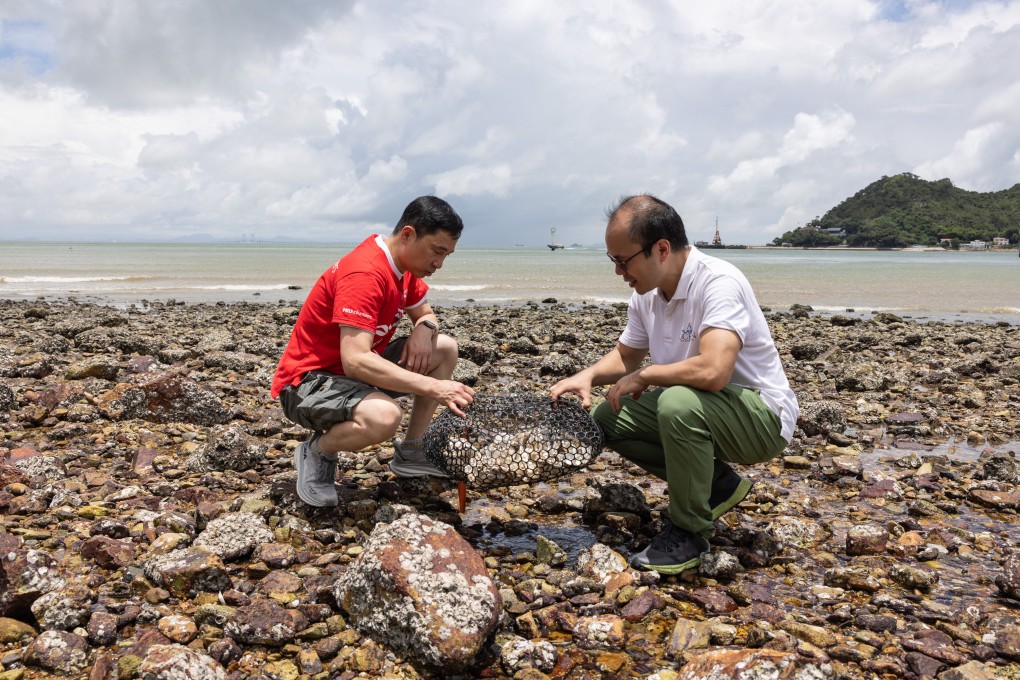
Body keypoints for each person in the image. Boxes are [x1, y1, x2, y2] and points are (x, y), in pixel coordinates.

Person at [551, 194, 798, 574]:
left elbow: (714, 371)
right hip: (705, 409)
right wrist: (586, 376)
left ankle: (689, 532)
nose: (618, 271)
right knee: (606, 417)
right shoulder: (646, 296)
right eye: (612, 261)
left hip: (760, 417)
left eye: (622, 260)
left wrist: (647, 375)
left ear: (661, 249)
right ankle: (716, 485)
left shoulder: (718, 282)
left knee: (676, 402)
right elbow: (626, 356)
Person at [271, 196, 476, 507]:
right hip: (306, 384)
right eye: (437, 251)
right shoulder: (365, 273)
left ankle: (412, 451)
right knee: (384, 417)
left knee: (444, 348)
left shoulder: (405, 269)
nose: (439, 264)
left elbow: (425, 312)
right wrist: (436, 388)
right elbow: (355, 361)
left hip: (352, 374)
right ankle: (317, 452)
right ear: (408, 234)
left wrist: (425, 327)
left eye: (446, 255)